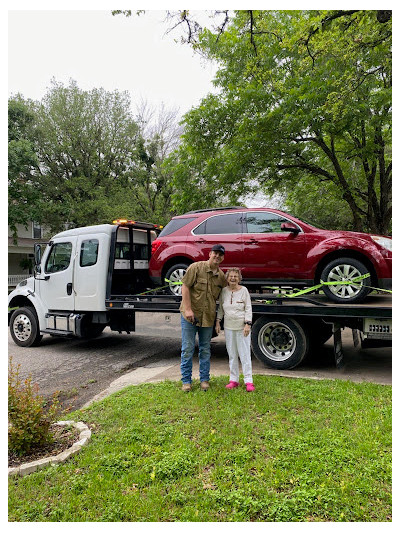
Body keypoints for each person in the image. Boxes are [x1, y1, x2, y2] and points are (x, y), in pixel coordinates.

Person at [179, 244, 227, 392]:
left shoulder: (221, 277)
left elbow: (225, 296)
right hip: (190, 316)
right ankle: (186, 381)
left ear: (222, 258)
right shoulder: (196, 267)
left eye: (220, 255)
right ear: (210, 254)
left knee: (205, 349)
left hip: (208, 317)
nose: (217, 256)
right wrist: (188, 309)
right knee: (187, 348)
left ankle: (204, 380)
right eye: (215, 253)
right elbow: (185, 286)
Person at [215, 267, 255, 392]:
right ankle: (234, 380)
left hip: (242, 328)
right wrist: (218, 322)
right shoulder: (224, 291)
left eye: (235, 276)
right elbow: (221, 308)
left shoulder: (244, 291)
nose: (233, 278)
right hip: (228, 327)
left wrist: (247, 324)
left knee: (244, 355)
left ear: (239, 278)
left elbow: (248, 308)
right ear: (227, 278)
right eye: (231, 276)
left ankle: (248, 381)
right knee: (232, 354)